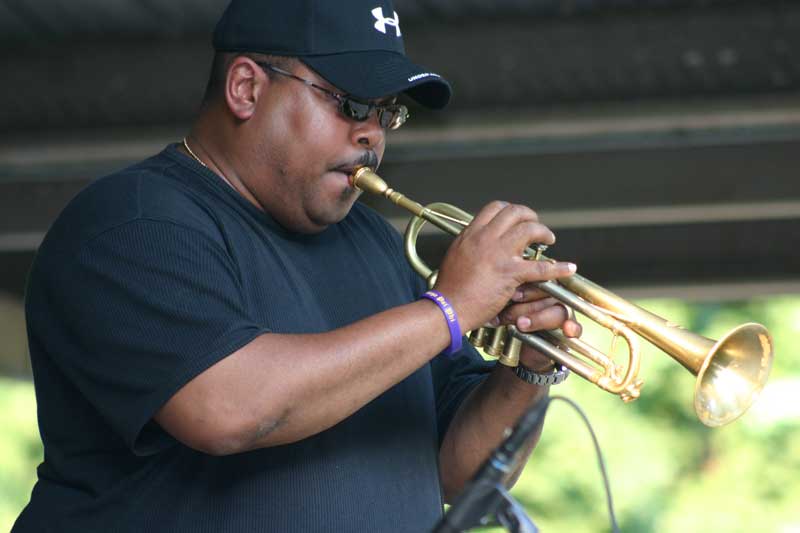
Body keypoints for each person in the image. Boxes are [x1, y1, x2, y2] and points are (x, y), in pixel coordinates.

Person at [13, 0, 581, 531]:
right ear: (245, 88)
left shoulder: (372, 241)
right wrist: (450, 309)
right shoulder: (134, 222)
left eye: (387, 113)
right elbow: (229, 407)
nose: (372, 134)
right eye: (351, 104)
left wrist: (528, 366)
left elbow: (461, 476)